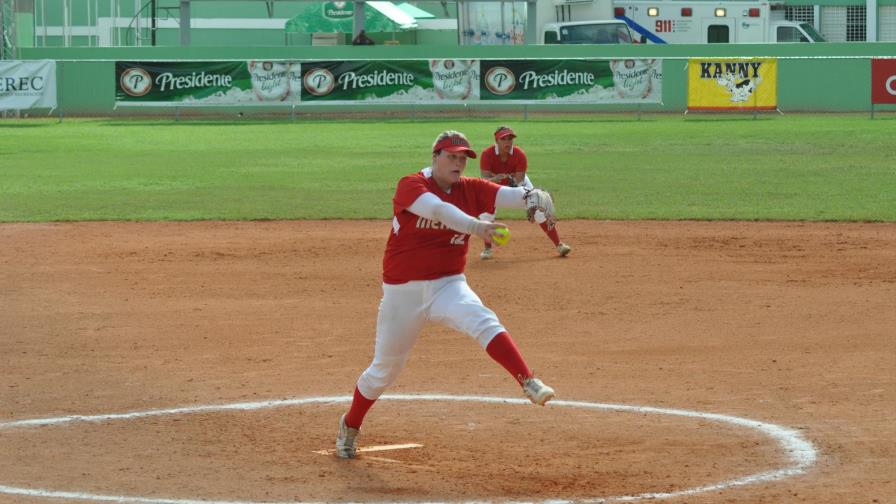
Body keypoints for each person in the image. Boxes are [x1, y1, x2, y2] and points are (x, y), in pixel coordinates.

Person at [335, 130, 558, 459]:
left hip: (447, 284)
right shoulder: (411, 185)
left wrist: (534, 196)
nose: (458, 163)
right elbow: (438, 211)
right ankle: (350, 425)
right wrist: (477, 227)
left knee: (482, 318)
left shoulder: (471, 189)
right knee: (384, 370)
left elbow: (510, 196)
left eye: (462, 158)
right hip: (403, 291)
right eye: (451, 156)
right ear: (435, 157)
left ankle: (528, 380)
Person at [478, 126, 572, 260]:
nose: (508, 142)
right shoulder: (487, 154)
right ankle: (487, 249)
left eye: (510, 138)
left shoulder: (519, 154)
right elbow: (484, 180)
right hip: (494, 186)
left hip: (516, 184)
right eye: (503, 139)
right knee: (485, 212)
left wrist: (510, 181)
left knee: (538, 207)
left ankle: (559, 245)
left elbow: (519, 181)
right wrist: (495, 180)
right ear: (496, 140)